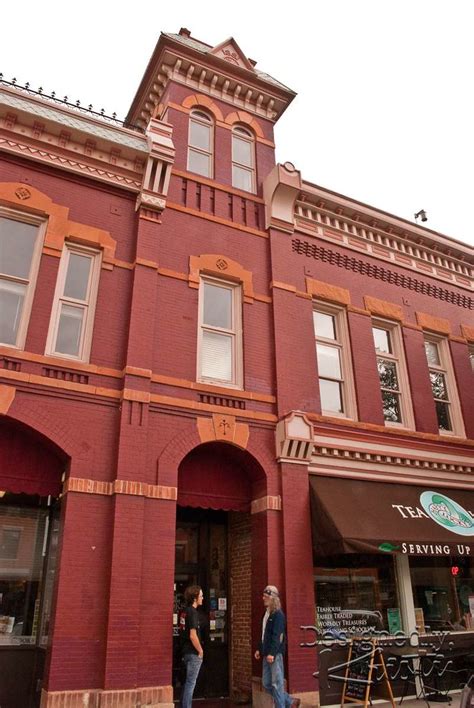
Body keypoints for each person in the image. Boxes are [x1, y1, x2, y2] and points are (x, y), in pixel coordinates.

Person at [254, 585, 301, 708]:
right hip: (266, 653)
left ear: (272, 597)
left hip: (274, 655)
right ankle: (289, 701)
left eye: (265, 596)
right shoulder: (266, 614)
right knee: (266, 683)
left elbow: (278, 636)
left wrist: (272, 653)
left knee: (277, 684)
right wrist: (260, 649)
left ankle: (283, 705)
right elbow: (264, 634)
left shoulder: (278, 615)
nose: (263, 598)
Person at [181, 585, 204, 708]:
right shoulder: (193, 612)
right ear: (195, 598)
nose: (202, 598)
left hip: (185, 652)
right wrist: (200, 651)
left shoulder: (185, 611)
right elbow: (193, 635)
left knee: (187, 682)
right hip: (193, 653)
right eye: (201, 596)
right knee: (191, 683)